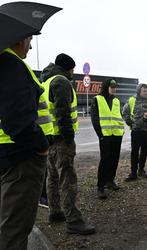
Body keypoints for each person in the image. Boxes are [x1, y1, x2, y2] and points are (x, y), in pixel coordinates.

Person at [0, 36, 54, 249]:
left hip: (7, 154)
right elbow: (18, 121)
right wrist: (41, 145)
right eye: (29, 39)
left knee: (6, 220)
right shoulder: (11, 65)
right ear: (19, 38)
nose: (30, 46)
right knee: (14, 228)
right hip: (21, 157)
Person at [41, 53, 95, 235]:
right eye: (72, 69)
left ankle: (55, 212)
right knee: (67, 178)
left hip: (49, 137)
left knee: (53, 177)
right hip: (61, 139)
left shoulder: (46, 81)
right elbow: (62, 111)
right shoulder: (61, 82)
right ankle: (73, 221)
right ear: (68, 68)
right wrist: (68, 135)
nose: (73, 73)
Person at [91, 79, 124, 199]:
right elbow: (95, 119)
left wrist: (122, 131)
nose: (115, 89)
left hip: (116, 134)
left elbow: (118, 116)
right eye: (112, 87)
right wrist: (100, 134)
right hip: (105, 135)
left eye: (116, 87)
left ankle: (110, 181)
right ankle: (101, 186)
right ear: (106, 87)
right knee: (105, 159)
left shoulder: (116, 100)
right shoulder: (97, 99)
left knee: (115, 159)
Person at [122, 83, 147, 181]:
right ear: (139, 91)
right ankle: (133, 173)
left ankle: (141, 170)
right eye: (144, 91)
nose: (146, 92)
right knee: (134, 152)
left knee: (144, 151)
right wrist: (130, 123)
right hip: (136, 131)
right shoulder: (132, 100)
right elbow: (124, 112)